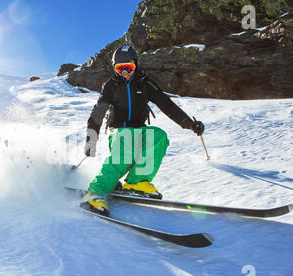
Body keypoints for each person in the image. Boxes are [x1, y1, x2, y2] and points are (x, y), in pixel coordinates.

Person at [81, 45, 204, 216]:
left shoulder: (145, 83)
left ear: (136, 65)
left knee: (159, 136)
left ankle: (136, 182)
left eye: (128, 67)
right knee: (126, 146)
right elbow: (98, 113)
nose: (125, 72)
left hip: (139, 130)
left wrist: (189, 123)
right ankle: (94, 192)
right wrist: (91, 139)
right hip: (119, 131)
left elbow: (166, 104)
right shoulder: (111, 86)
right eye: (120, 68)